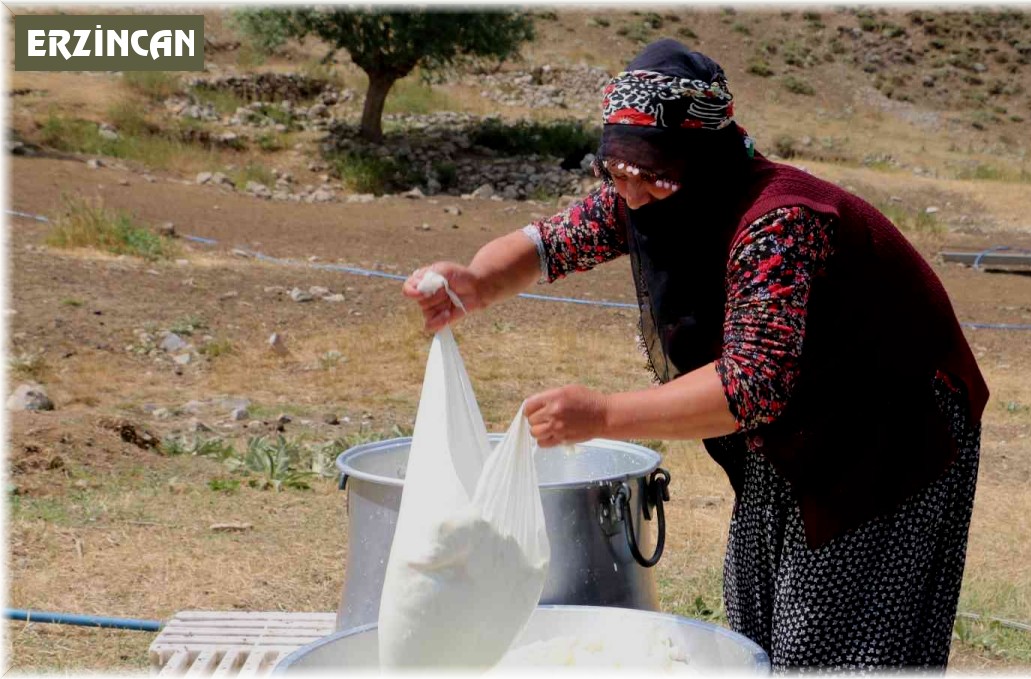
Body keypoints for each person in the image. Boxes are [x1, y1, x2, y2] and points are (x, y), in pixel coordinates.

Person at [403, 39, 989, 672]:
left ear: (704, 154)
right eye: (617, 168)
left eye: (651, 172)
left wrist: (601, 415)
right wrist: (476, 282)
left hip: (889, 425)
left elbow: (751, 385)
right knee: (759, 617)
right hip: (798, 420)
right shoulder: (651, 188)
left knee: (835, 638)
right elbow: (549, 243)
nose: (630, 189)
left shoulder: (778, 221)